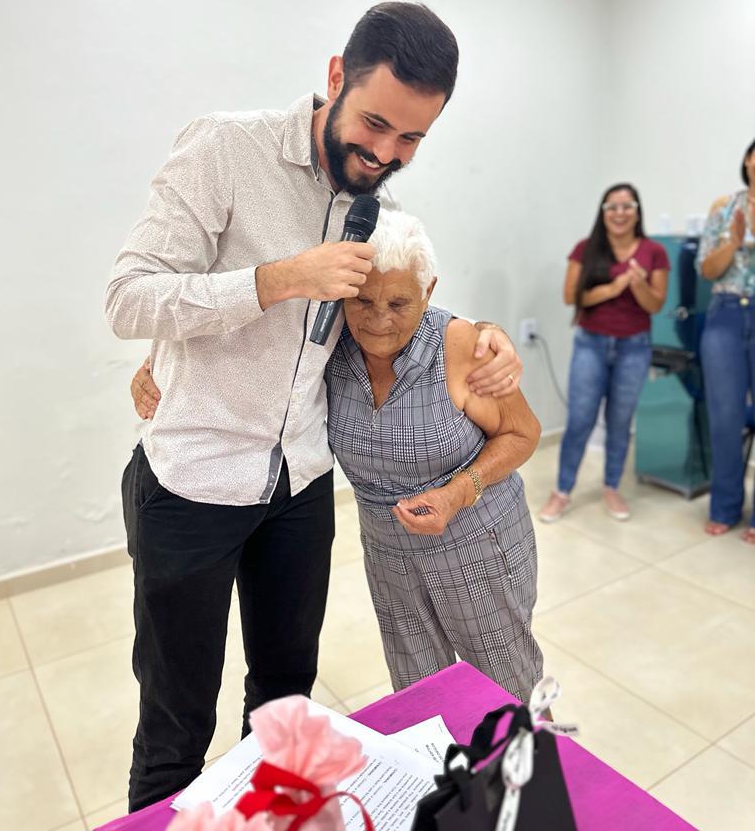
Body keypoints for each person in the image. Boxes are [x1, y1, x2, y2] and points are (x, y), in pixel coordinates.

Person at [106, 2, 523, 811]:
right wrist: (278, 280)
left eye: (411, 141)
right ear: (336, 77)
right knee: (174, 725)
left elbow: (404, 307)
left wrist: (488, 337)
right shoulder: (226, 148)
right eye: (374, 124)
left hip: (299, 491)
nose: (385, 154)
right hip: (192, 485)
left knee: (286, 707)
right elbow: (129, 298)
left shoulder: (378, 204)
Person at [134, 209, 544, 703]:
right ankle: (445, 780)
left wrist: (458, 493)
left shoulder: (460, 346)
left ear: (429, 291)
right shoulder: (332, 345)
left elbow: (523, 433)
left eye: (399, 302)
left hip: (476, 542)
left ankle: (518, 778)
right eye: (363, 300)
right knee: (417, 692)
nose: (378, 321)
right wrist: (155, 365)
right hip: (388, 552)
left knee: (503, 689)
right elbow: (248, 350)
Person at [539, 183, 669, 523]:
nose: (620, 213)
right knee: (580, 420)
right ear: (603, 212)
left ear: (637, 211)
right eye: (612, 206)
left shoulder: (654, 251)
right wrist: (614, 287)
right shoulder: (586, 249)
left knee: (620, 421)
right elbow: (572, 297)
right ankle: (562, 490)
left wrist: (638, 284)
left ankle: (612, 486)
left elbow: (655, 304)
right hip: (591, 345)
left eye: (627, 206)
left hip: (634, 348)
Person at [697, 137, 755, 545]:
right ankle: (725, 506)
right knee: (724, 417)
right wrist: (733, 241)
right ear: (748, 161)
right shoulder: (724, 208)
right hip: (725, 314)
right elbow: (708, 270)